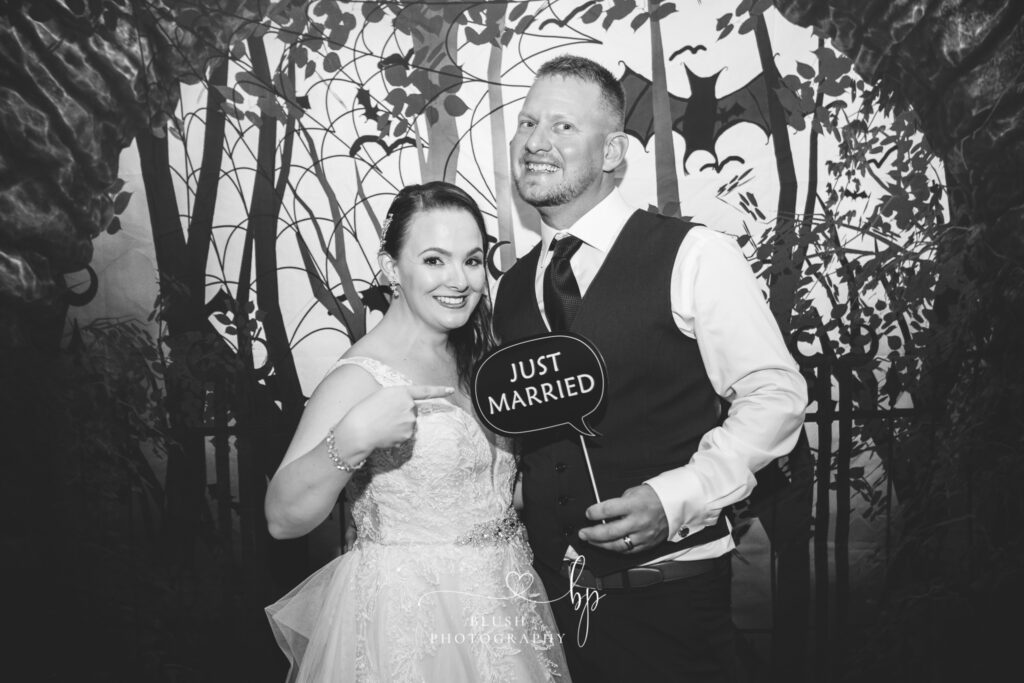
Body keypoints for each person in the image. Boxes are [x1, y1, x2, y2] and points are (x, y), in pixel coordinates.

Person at [492, 55, 808, 682]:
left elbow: (775, 396)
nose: (534, 141)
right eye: (527, 122)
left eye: (561, 126)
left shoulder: (694, 254)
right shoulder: (511, 287)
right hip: (551, 612)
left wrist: (676, 497)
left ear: (612, 151)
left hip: (671, 605)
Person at [264, 182, 571, 682]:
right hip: (413, 618)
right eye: (434, 260)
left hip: (502, 601)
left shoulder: (480, 358)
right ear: (391, 268)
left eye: (472, 260)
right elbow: (282, 519)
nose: (459, 280)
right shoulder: (358, 377)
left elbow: (486, 491)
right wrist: (353, 437)